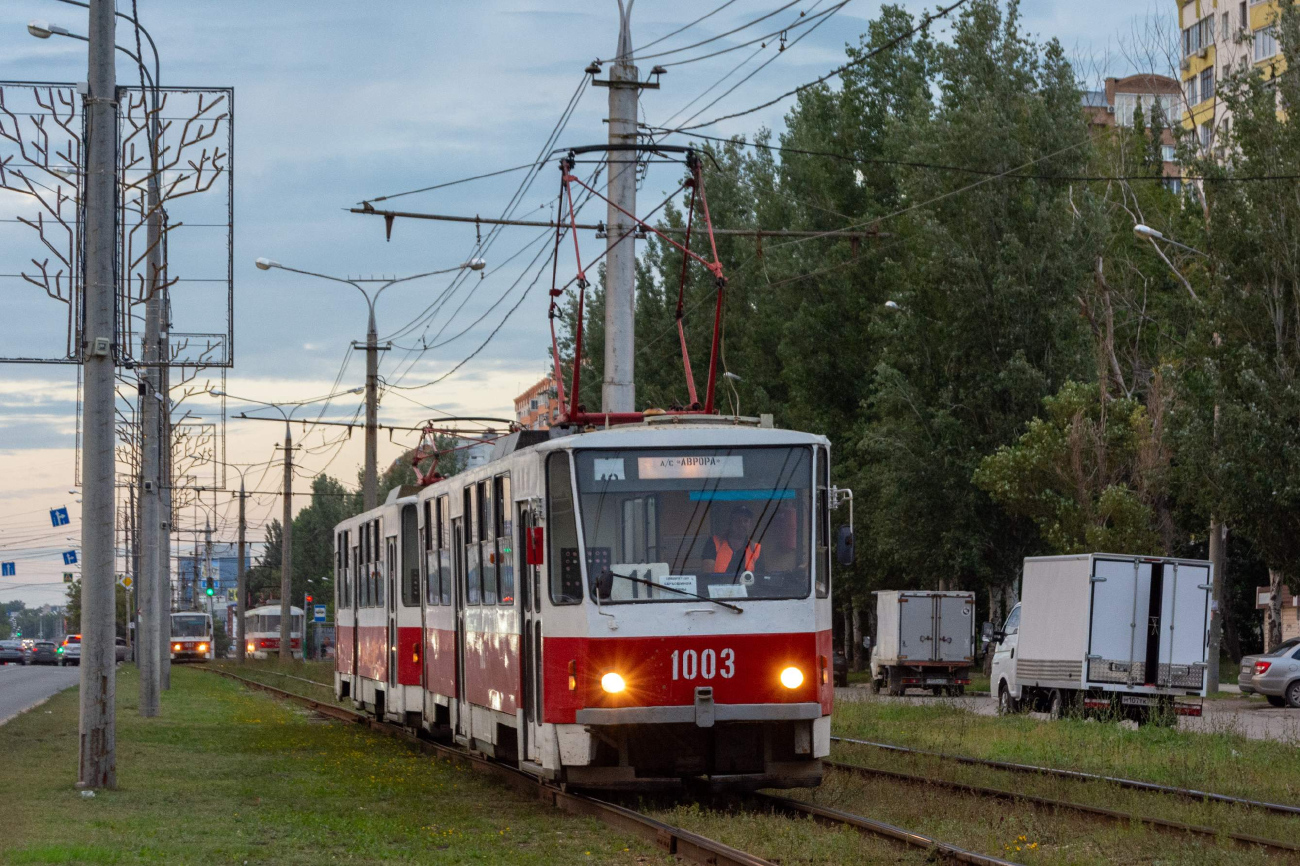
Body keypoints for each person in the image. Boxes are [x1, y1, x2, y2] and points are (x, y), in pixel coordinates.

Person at [704, 505, 761, 577]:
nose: (741, 524)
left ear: (750, 525)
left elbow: (760, 579)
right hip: (719, 587)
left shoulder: (756, 548)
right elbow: (707, 577)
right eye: (737, 520)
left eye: (746, 521)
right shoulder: (713, 542)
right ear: (730, 523)